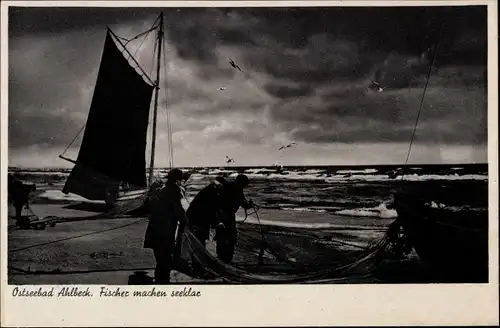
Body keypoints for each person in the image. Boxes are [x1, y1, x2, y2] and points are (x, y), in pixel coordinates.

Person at [143, 168, 188, 284]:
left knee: (160, 260)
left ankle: (160, 282)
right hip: (165, 231)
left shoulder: (163, 190)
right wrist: (186, 221)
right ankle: (162, 285)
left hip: (155, 229)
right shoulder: (174, 191)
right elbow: (178, 210)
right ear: (178, 180)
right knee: (165, 261)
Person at [185, 176, 227, 276]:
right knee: (198, 245)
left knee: (198, 244)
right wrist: (217, 223)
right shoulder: (210, 194)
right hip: (197, 222)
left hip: (195, 220)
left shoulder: (208, 191)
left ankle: (198, 268)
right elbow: (209, 211)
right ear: (218, 186)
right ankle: (198, 270)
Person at [216, 174, 254, 264]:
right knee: (231, 236)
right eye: (245, 184)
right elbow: (243, 203)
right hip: (227, 215)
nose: (245, 186)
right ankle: (226, 259)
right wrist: (250, 204)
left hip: (219, 213)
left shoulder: (230, 186)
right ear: (241, 182)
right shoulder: (237, 189)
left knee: (221, 235)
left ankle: (220, 256)